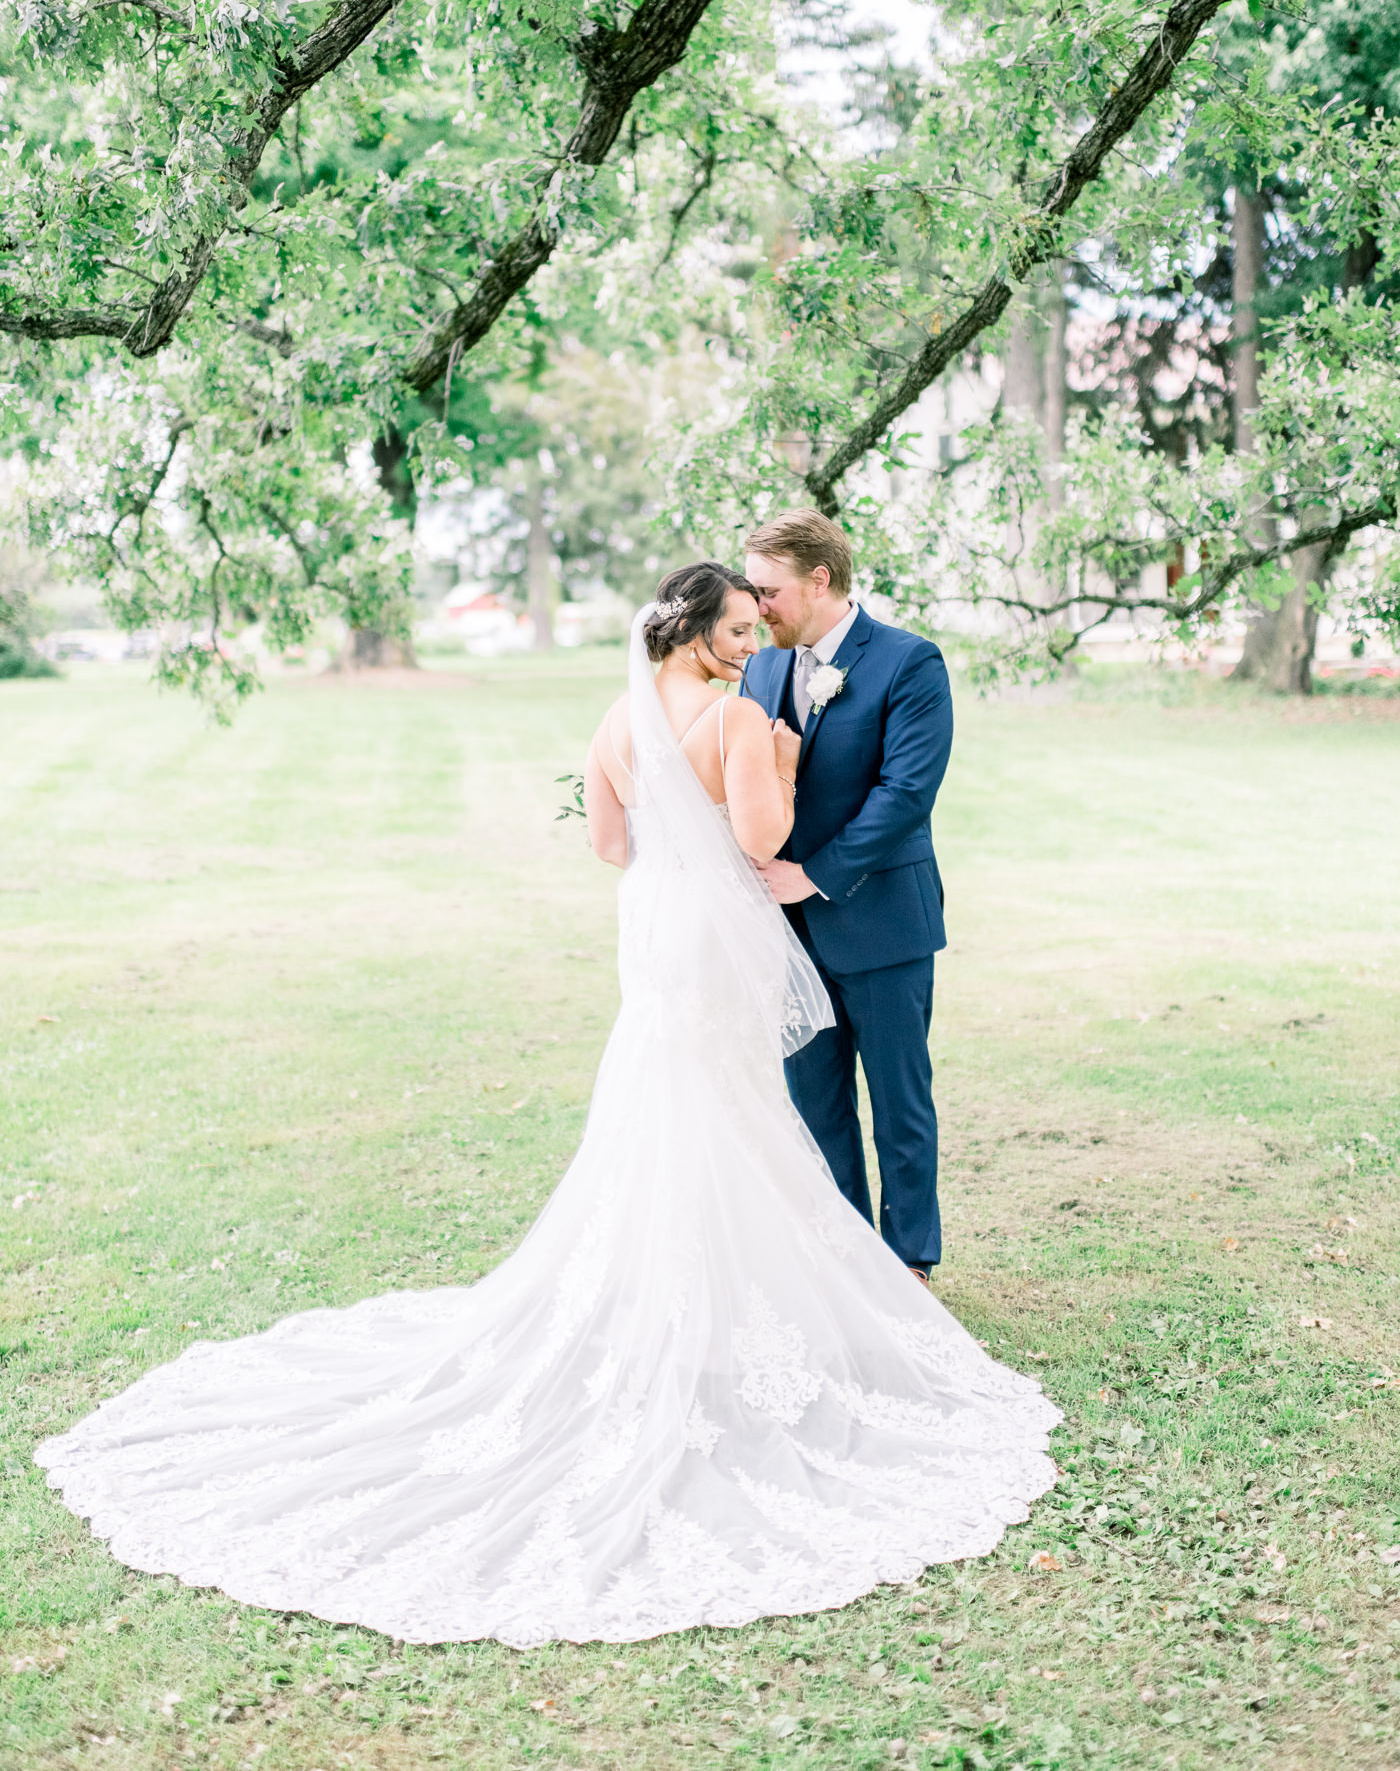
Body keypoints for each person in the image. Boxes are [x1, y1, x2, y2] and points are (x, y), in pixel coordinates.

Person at [36, 562, 1056, 1650]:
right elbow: (762, 843)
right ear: (707, 639)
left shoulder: (619, 719)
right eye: (741, 627)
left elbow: (609, 846)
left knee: (662, 1100)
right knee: (737, 1110)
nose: (752, 642)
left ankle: (663, 1294)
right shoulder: (738, 722)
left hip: (653, 928)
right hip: (714, 935)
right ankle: (757, 1302)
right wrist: (787, 755)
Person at [743, 510, 951, 1280]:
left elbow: (905, 795)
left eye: (767, 591)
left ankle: (910, 1264)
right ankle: (846, 1264)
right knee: (815, 1104)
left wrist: (815, 874)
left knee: (899, 1104)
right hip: (784, 932)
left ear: (818, 579)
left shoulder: (909, 661)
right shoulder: (760, 668)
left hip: (883, 922)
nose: (754, 607)